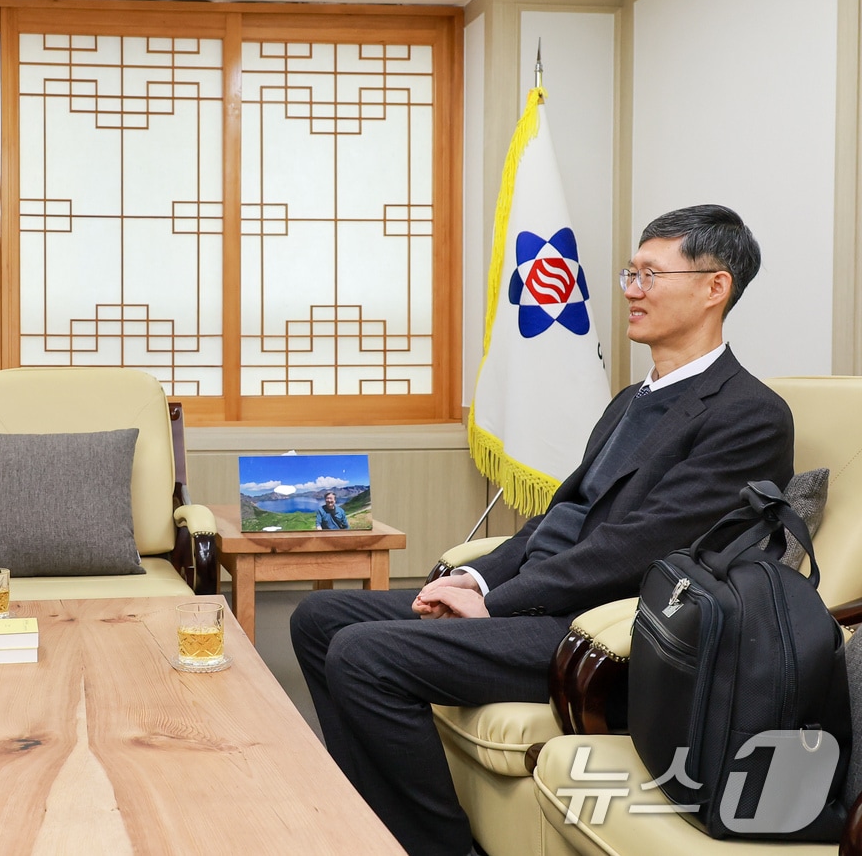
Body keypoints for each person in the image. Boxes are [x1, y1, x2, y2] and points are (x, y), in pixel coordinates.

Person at [290, 204, 793, 856]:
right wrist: (472, 577)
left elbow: (637, 547)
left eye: (649, 274)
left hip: (597, 626)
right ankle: (375, 826)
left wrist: (493, 604)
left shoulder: (748, 415)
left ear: (713, 286)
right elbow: (561, 516)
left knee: (365, 653)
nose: (631, 291)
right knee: (320, 616)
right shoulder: (630, 400)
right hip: (535, 600)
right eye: (629, 273)